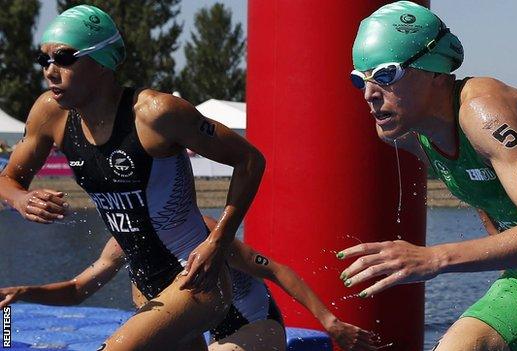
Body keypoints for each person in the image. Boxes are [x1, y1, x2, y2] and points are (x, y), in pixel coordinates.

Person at [338, 2, 517, 350]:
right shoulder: (405, 134)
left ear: (434, 70)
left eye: (385, 75)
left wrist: (434, 258)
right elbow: (484, 195)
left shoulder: (483, 111)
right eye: (359, 80)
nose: (369, 94)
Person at [0, 5, 266, 350]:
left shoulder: (157, 114)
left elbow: (249, 159)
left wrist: (218, 241)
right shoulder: (49, 114)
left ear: (102, 62)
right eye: (44, 59)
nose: (50, 71)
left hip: (195, 281)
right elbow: (8, 178)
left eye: (64, 58)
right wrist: (21, 198)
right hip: (146, 288)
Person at [0, 215, 377, 351]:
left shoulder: (208, 235)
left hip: (257, 329)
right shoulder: (122, 242)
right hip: (198, 335)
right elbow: (79, 288)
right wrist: (22, 293)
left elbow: (277, 270)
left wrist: (330, 322)